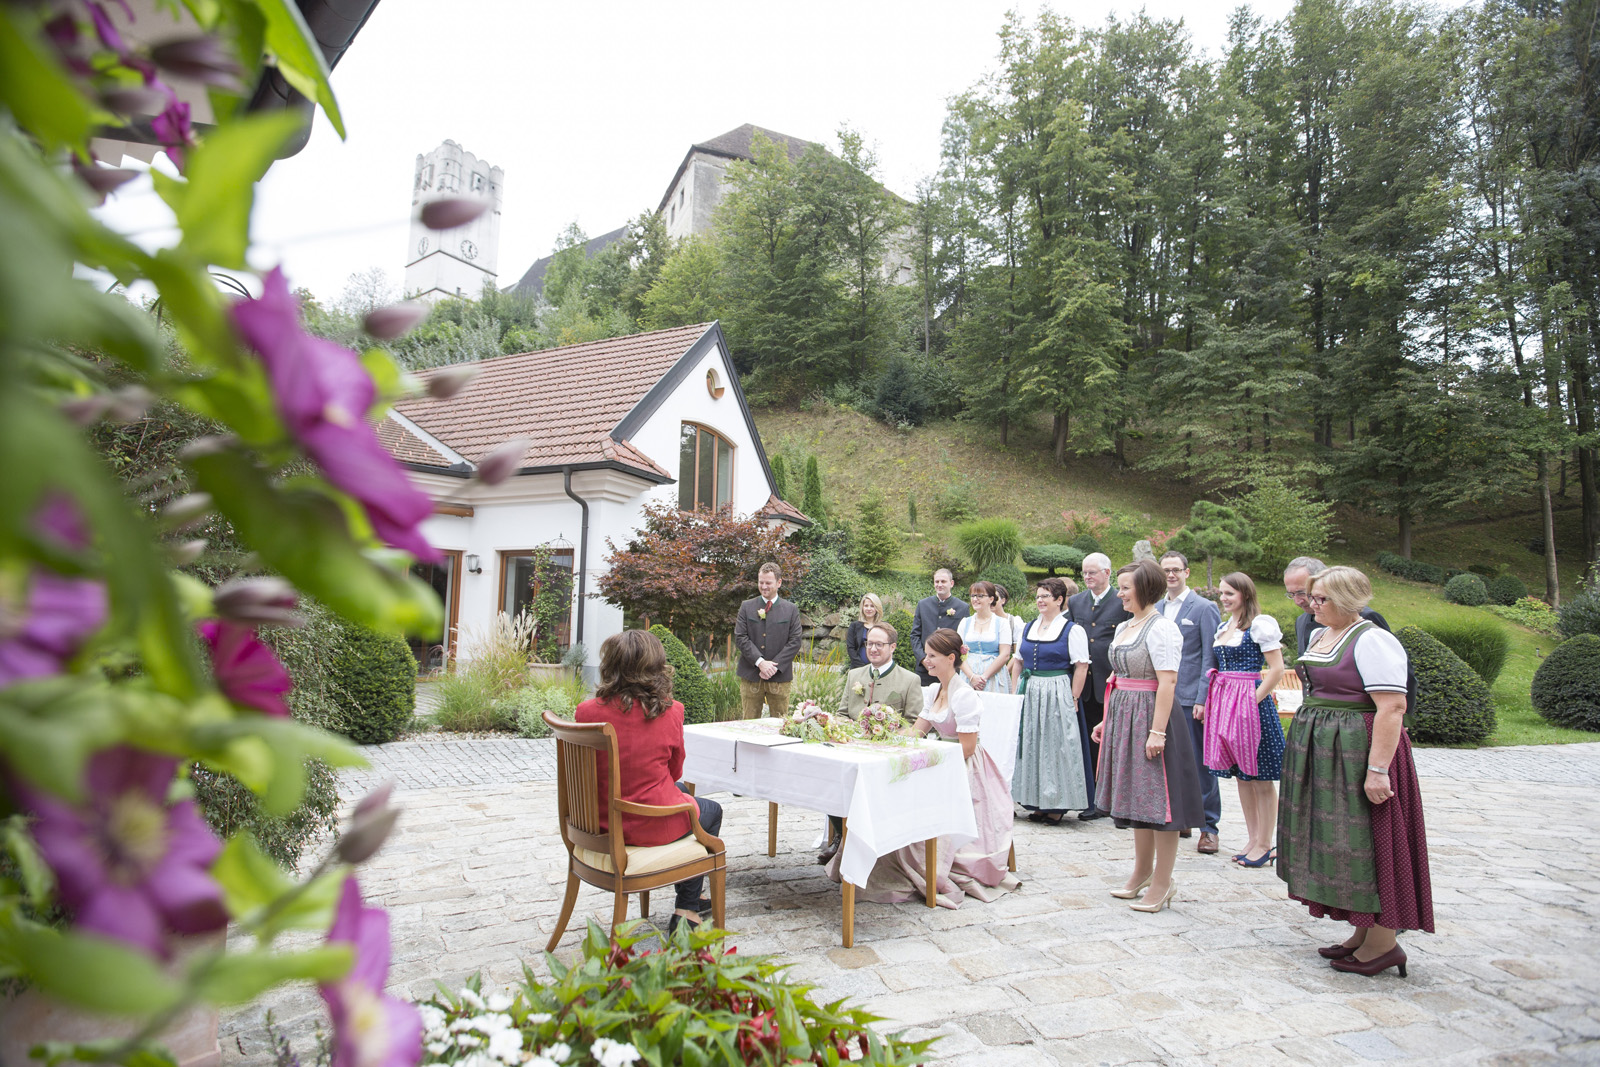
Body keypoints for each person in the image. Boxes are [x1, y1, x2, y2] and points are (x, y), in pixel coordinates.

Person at [1280, 566, 1433, 977]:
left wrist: (1378, 770)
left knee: (1370, 838)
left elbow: (1392, 707)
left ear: (1348, 599)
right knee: (1341, 840)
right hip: (1327, 750)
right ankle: (1361, 931)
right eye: (1311, 598)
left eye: (1321, 599)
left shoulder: (1375, 640)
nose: (1312, 606)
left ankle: (1385, 942)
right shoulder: (1319, 634)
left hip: (1358, 750)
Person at [830, 629, 1021, 908]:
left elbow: (967, 748)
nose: (926, 661)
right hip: (940, 759)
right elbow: (917, 732)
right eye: (927, 655)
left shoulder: (964, 695)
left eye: (932, 656)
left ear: (950, 658)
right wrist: (883, 737)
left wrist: (931, 761)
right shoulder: (934, 691)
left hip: (963, 766)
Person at [574, 629, 722, 935]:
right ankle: (687, 908)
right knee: (711, 811)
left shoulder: (586, 712)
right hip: (649, 825)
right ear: (656, 668)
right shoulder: (671, 711)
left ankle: (694, 895)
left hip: (598, 824)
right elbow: (675, 771)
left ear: (610, 666)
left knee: (680, 794)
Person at [1092, 559, 1206, 914]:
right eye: (1121, 587)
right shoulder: (1128, 625)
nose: (1121, 593)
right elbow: (1118, 677)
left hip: (1151, 715)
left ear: (1145, 588)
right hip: (1124, 712)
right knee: (1136, 798)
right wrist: (1106, 719)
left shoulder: (1162, 629)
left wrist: (1158, 731)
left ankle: (1163, 880)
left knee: (1160, 802)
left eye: (1126, 587)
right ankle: (1141, 872)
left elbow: (1168, 681)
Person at [1199, 572, 1286, 868]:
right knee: (1241, 777)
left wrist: (1251, 701)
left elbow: (1276, 669)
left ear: (1245, 595)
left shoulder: (1260, 625)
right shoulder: (1225, 626)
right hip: (1226, 703)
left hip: (1251, 706)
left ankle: (1265, 842)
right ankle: (1252, 839)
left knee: (1261, 778)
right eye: (1222, 593)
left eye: (1229, 594)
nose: (1223, 599)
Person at [824, 621, 923, 863]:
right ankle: (841, 835)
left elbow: (914, 724)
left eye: (880, 644)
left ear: (893, 647)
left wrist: (887, 736)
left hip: (885, 757)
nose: (873, 649)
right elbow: (842, 713)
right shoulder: (854, 675)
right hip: (851, 750)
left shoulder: (909, 680)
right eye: (870, 644)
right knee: (829, 779)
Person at [1008, 577, 1091, 823]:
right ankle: (1037, 802)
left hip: (1056, 690)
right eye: (1038, 596)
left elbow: (1081, 667)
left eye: (1046, 596)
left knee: (1056, 745)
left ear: (1059, 599)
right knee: (1033, 744)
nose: (1040, 601)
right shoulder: (1029, 627)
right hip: (1030, 690)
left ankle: (1057, 804)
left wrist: (1073, 697)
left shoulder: (1072, 630)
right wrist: (1015, 693)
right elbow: (1018, 662)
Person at [1157, 551, 1222, 854]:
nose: (1171, 575)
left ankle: (1208, 827)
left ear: (1187, 572)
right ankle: (1180, 816)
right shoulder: (1157, 607)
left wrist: (1203, 698)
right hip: (1159, 695)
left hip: (1188, 696)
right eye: (1166, 570)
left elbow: (1211, 656)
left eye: (1175, 570)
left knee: (1198, 763)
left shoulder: (1204, 607)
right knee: (1169, 761)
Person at [1068, 553, 1131, 820]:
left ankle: (1114, 798)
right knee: (1089, 741)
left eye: (1092, 572)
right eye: (1084, 573)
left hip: (1110, 680)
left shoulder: (1121, 601)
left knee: (1113, 741)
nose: (1087, 577)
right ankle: (1092, 797)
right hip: (1084, 683)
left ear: (1107, 573)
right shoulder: (1076, 602)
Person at [733, 562, 803, 719]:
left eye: (768, 583)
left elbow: (795, 641)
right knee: (749, 724)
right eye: (761, 582)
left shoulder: (791, 609)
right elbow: (740, 637)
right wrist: (760, 662)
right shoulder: (746, 607)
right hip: (751, 675)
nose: (763, 586)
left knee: (780, 725)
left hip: (780, 678)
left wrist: (773, 667)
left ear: (779, 583)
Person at [1284, 556, 1391, 657]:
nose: (1297, 601)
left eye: (1302, 592)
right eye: (1291, 594)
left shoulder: (1364, 618)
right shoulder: (1301, 621)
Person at [910, 568, 969, 685]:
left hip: (949, 668)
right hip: (924, 669)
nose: (939, 585)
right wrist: (923, 659)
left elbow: (963, 639)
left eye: (943, 581)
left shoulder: (962, 607)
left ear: (951, 583)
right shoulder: (923, 604)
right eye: (937, 582)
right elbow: (915, 635)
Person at [957, 581, 1014, 694]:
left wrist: (984, 677)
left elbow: (1005, 654)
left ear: (991, 599)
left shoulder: (1002, 623)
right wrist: (972, 677)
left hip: (993, 676)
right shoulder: (965, 622)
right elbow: (958, 652)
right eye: (973, 596)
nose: (975, 599)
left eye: (980, 596)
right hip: (968, 676)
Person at [845, 594, 884, 671]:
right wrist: (861, 667)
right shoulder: (854, 626)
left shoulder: (883, 627)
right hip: (858, 668)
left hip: (878, 669)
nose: (869, 609)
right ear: (862, 608)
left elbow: (886, 648)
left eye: (872, 606)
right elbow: (850, 648)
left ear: (877, 608)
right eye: (866, 606)